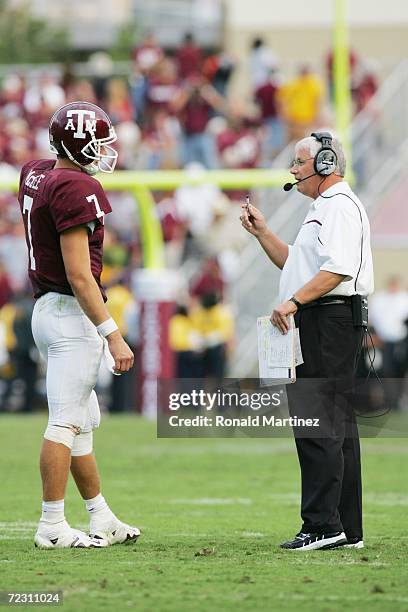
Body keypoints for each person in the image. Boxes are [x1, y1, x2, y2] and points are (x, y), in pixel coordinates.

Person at [240, 132, 374, 551]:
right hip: (324, 317)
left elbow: (336, 271)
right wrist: (264, 234)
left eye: (300, 162)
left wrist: (294, 302)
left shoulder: (338, 207)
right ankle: (344, 528)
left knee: (318, 423)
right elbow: (295, 265)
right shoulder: (325, 208)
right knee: (337, 426)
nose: (293, 170)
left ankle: (322, 525)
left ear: (326, 163)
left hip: (327, 318)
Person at [18, 101, 140, 549]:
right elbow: (79, 274)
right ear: (81, 143)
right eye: (100, 141)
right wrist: (113, 334)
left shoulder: (36, 170)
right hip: (71, 313)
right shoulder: (75, 186)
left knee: (81, 422)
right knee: (65, 423)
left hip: (47, 311)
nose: (106, 151)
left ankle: (100, 516)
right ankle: (51, 525)